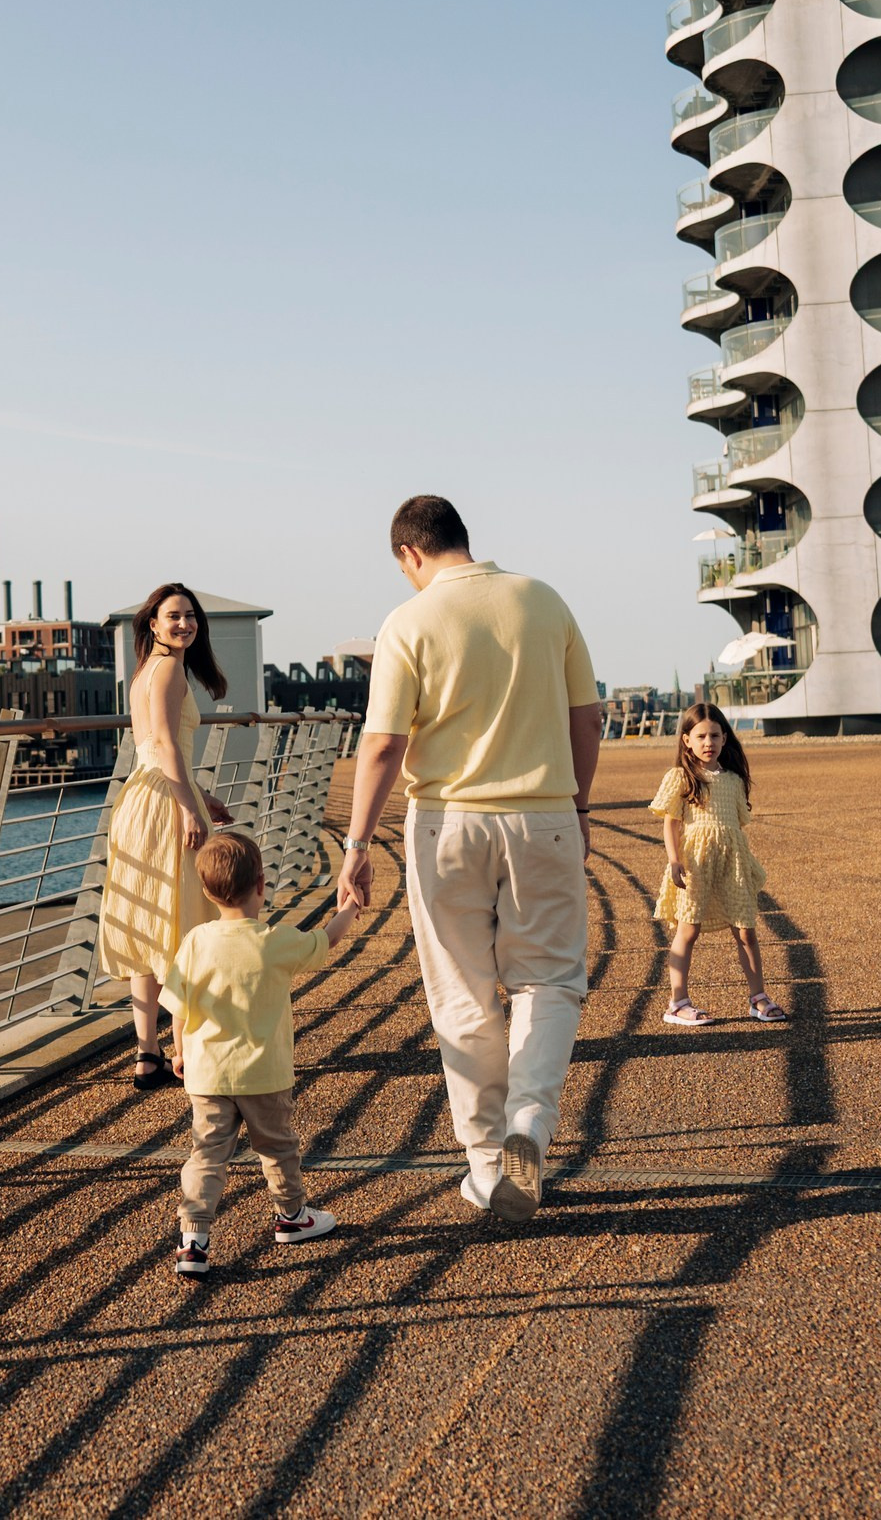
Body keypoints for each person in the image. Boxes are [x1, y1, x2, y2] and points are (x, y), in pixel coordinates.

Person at [338, 496, 600, 1223]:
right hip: (544, 813)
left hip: (446, 822)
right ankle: (530, 1126)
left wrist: (357, 845)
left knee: (462, 992)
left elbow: (384, 743)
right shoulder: (543, 601)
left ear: (409, 555)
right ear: (463, 539)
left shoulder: (409, 621)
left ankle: (487, 1165)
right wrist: (578, 809)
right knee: (548, 979)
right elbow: (588, 718)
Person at [159, 830, 358, 1276]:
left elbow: (177, 1004)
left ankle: (193, 1237)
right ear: (262, 886)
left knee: (206, 1153)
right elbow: (325, 940)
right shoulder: (274, 940)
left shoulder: (196, 942)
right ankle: (291, 1217)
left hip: (207, 1073)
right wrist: (349, 907)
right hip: (264, 1073)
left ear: (208, 893)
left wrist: (180, 1050)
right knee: (277, 1147)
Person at [100, 582, 234, 1090]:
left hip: (140, 796)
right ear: (152, 623)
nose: (184, 624)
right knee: (182, 926)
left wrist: (200, 794)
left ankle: (147, 1054)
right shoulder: (172, 669)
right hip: (163, 803)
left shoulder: (145, 671)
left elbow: (154, 748)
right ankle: (185, 1052)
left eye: (191, 617)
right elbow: (164, 744)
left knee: (151, 924)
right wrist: (188, 807)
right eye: (173, 616)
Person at [650, 703, 781, 1027]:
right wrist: (674, 861)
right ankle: (677, 1002)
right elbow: (671, 824)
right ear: (686, 741)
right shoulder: (680, 777)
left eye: (715, 735)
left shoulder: (733, 780)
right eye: (701, 736)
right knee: (688, 929)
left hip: (730, 862)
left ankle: (758, 998)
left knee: (746, 930)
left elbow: (735, 825)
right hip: (695, 863)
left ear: (725, 739)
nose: (708, 742)